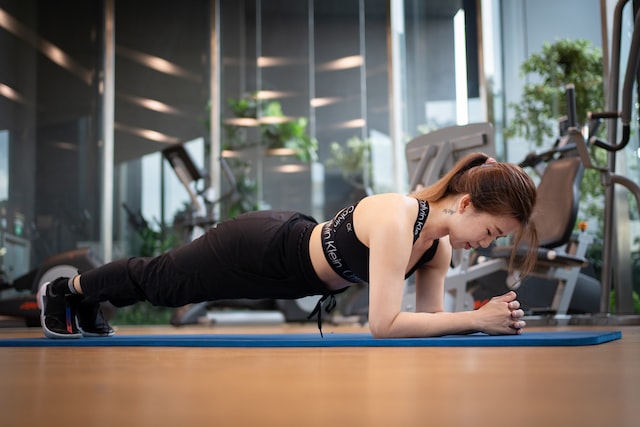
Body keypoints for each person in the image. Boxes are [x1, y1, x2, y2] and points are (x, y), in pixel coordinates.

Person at [38, 151, 538, 339]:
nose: (484, 245)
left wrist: (491, 323)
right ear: (468, 204)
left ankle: (86, 299)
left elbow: (426, 326)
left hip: (293, 274)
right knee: (164, 283)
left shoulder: (438, 248)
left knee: (167, 287)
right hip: (264, 246)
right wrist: (476, 317)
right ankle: (69, 289)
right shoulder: (397, 214)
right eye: (492, 232)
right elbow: (383, 324)